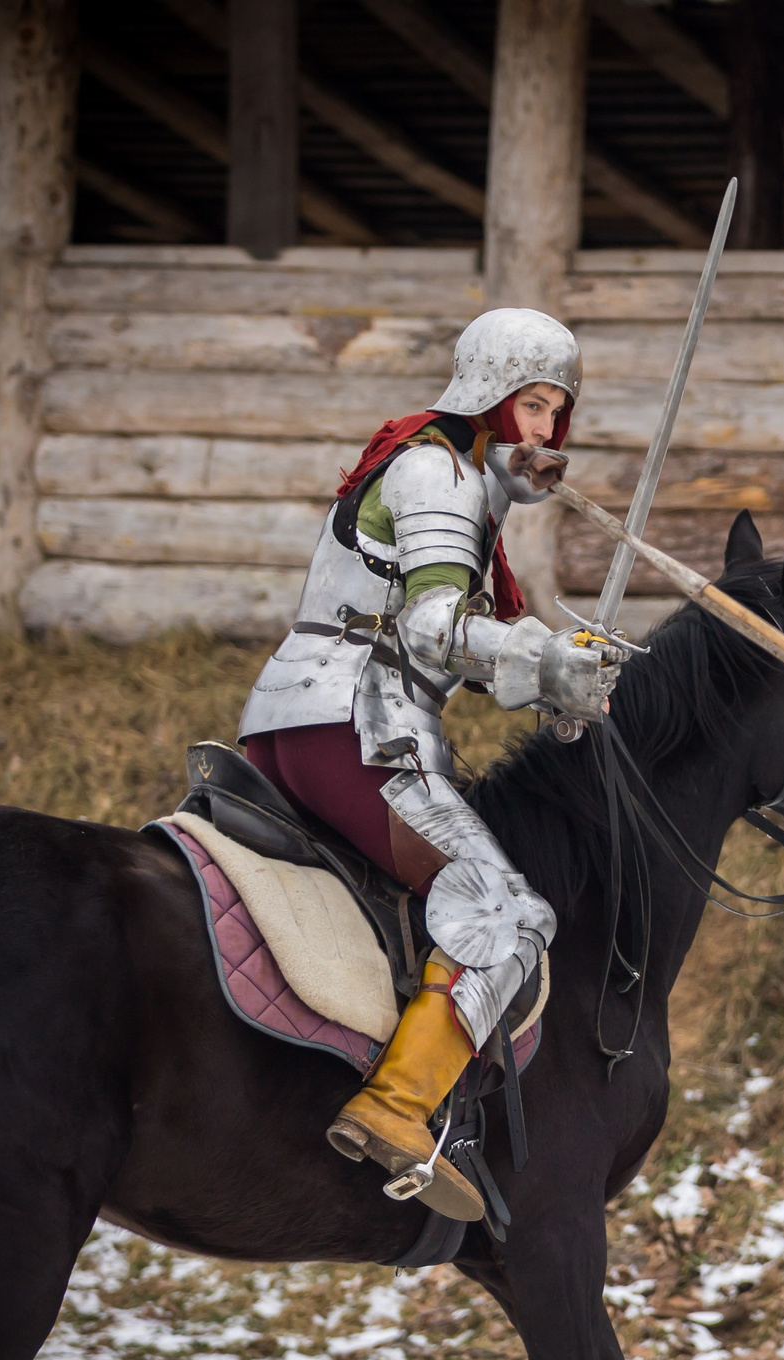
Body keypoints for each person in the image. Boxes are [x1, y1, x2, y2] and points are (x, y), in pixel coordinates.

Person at [238, 307, 622, 1222]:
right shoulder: (438, 473)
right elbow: (432, 630)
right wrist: (545, 657)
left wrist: (564, 676)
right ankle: (398, 1106)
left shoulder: (454, 482)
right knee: (508, 910)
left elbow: (461, 641)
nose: (544, 434)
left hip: (314, 719)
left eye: (554, 416)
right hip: (354, 724)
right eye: (532, 407)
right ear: (488, 397)